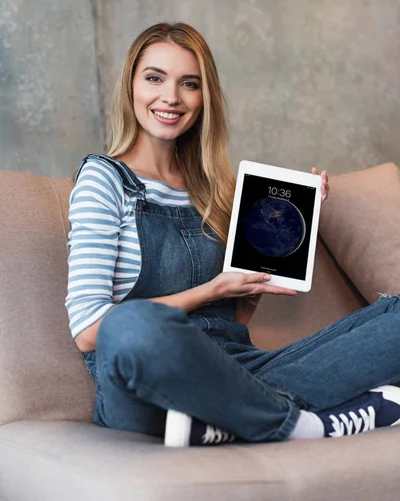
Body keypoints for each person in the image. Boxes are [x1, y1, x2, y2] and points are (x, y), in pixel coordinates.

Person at [66, 22, 400, 447]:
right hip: (145, 386)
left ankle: (221, 423)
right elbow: (89, 330)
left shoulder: (216, 189)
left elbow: (233, 321)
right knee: (133, 323)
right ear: (130, 85)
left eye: (189, 84)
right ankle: (304, 424)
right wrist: (209, 290)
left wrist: (274, 256)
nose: (170, 97)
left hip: (238, 371)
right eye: (154, 78)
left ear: (204, 99)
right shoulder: (104, 179)